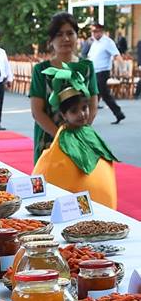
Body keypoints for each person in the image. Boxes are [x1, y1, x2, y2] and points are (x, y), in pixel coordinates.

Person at [33, 64, 117, 209]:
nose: (82, 114)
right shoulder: (63, 139)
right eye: (74, 111)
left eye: (84, 108)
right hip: (73, 208)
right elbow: (49, 167)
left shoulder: (89, 134)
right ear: (63, 115)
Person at [29, 12, 98, 163]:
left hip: (79, 139)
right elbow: (37, 112)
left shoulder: (87, 67)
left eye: (70, 33)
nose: (65, 38)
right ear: (51, 40)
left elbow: (93, 105)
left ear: (77, 36)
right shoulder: (41, 70)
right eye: (59, 34)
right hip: (49, 141)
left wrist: (79, 134)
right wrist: (61, 137)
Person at [88, 23, 125, 124]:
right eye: (93, 32)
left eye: (96, 31)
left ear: (101, 31)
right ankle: (118, 114)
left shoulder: (107, 42)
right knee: (99, 94)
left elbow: (116, 55)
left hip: (102, 71)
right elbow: (90, 57)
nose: (94, 34)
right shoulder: (95, 43)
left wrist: (123, 69)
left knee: (100, 94)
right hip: (94, 72)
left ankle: (118, 113)